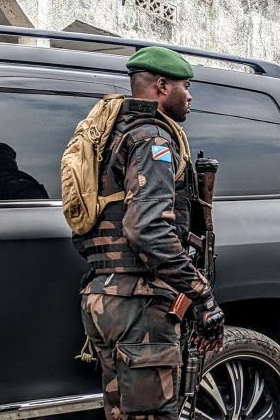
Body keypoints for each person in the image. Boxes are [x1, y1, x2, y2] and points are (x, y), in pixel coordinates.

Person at [74, 46, 225, 419]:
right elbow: (147, 228)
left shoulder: (112, 136)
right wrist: (202, 295)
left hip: (104, 295)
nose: (190, 96)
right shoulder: (153, 140)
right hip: (138, 304)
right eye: (185, 86)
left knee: (123, 412)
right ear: (161, 86)